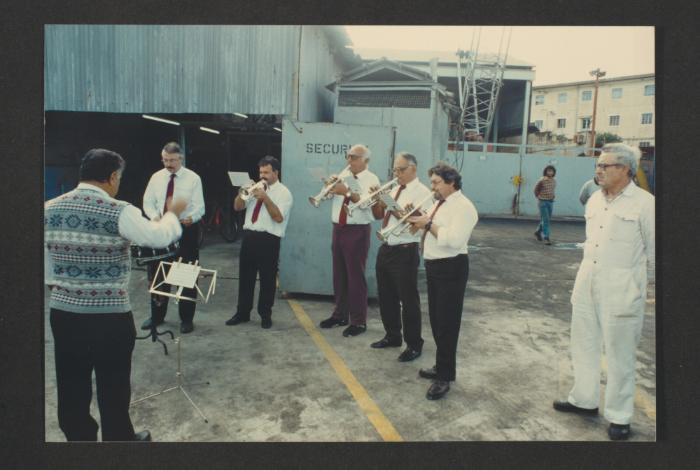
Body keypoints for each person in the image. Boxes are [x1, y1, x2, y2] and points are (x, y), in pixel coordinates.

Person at [45, 148, 187, 441]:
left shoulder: (49, 208)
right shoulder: (118, 210)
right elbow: (158, 237)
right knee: (113, 385)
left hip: (64, 315)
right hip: (109, 318)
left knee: (71, 384)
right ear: (111, 177)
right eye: (118, 177)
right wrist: (172, 215)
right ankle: (118, 440)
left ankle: (79, 441)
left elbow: (47, 269)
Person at [553, 143, 655, 441]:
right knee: (583, 342)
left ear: (625, 169)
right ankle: (584, 400)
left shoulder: (645, 204)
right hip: (587, 281)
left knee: (619, 352)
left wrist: (648, 289)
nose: (598, 170)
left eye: (604, 166)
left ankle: (619, 415)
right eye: (597, 165)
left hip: (622, 285)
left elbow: (655, 250)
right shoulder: (595, 200)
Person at [407, 163, 478, 400]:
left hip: (452, 266)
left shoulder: (465, 208)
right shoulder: (438, 203)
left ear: (451, 182)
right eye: (432, 182)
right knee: (437, 321)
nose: (432, 187)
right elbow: (427, 233)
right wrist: (416, 221)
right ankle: (441, 365)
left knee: (447, 323)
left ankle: (445, 376)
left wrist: (428, 223)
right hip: (434, 265)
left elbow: (453, 240)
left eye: (436, 182)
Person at [370, 152, 433, 362]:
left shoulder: (423, 193)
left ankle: (414, 344)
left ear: (413, 169)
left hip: (406, 249)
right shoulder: (395, 189)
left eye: (401, 169)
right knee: (385, 296)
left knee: (408, 300)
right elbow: (378, 215)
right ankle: (392, 335)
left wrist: (394, 208)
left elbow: (414, 224)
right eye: (395, 170)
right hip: (387, 246)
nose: (397, 174)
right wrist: (378, 200)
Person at [141, 142, 205, 334]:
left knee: (185, 276)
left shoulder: (193, 178)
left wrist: (192, 218)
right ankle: (157, 316)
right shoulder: (156, 178)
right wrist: (154, 217)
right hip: (161, 230)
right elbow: (147, 202)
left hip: (185, 230)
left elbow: (199, 206)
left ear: (181, 159)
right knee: (158, 276)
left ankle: (186, 319)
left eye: (172, 160)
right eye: (165, 160)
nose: (168, 164)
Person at [318, 144, 381, 337]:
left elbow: (365, 205)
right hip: (338, 228)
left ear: (366, 161)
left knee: (355, 277)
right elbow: (330, 196)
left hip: (357, 230)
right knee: (339, 275)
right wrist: (328, 188)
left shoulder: (372, 180)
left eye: (354, 157)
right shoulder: (344, 175)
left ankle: (359, 321)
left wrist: (345, 191)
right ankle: (340, 315)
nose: (349, 161)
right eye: (348, 156)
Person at [225, 156, 293, 329]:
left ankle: (265, 315)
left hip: (269, 239)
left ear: (276, 173)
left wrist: (265, 198)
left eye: (267, 173)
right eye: (261, 172)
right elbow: (237, 207)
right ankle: (242, 313)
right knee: (245, 277)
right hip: (249, 236)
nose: (263, 176)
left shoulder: (284, 193)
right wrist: (242, 192)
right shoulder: (255, 187)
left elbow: (278, 217)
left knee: (267, 279)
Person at [534, 165, 557, 245]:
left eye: (551, 171)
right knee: (546, 220)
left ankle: (538, 232)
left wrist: (552, 196)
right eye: (548, 171)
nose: (550, 172)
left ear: (554, 172)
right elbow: (536, 189)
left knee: (546, 219)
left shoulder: (554, 180)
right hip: (542, 202)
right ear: (545, 172)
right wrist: (539, 197)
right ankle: (546, 237)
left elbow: (552, 190)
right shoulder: (542, 180)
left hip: (550, 202)